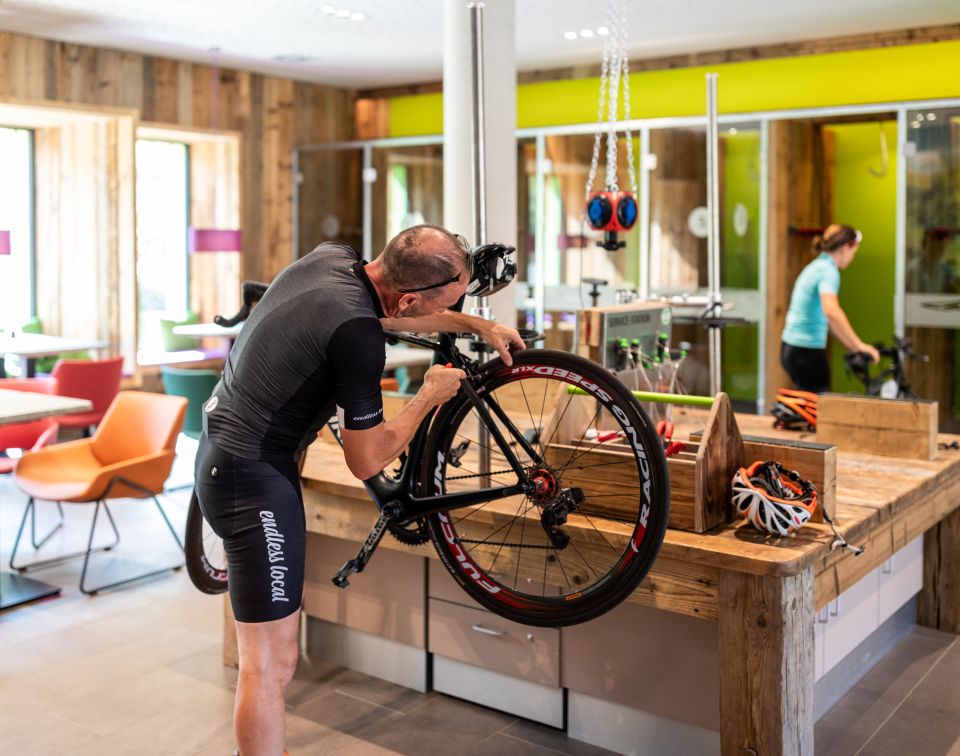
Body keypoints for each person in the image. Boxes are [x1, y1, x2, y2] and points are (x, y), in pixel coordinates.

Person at [194, 225, 525, 756]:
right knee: (271, 663)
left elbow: (387, 311)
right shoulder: (358, 338)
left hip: (230, 450)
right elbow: (365, 458)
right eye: (451, 296)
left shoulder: (335, 261)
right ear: (413, 295)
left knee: (273, 657)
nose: (455, 303)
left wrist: (473, 322)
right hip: (248, 479)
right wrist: (428, 396)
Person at [780, 223, 879, 393]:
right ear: (845, 248)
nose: (852, 257)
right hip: (806, 351)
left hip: (792, 348)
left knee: (807, 408)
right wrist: (859, 346)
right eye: (853, 252)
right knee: (820, 408)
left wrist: (852, 346)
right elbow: (831, 311)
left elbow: (829, 320)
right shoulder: (828, 271)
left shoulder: (817, 266)